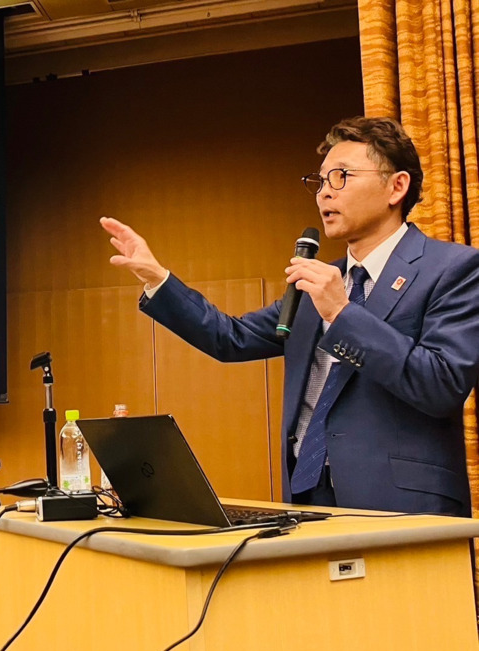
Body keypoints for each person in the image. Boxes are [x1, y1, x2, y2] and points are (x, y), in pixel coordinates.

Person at [102, 116, 479, 516]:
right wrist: (158, 279)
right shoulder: (316, 284)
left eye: (341, 177)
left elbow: (442, 384)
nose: (323, 195)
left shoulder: (452, 269)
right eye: (319, 182)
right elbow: (230, 338)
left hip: (402, 504)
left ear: (396, 186)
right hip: (306, 496)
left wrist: (341, 313)